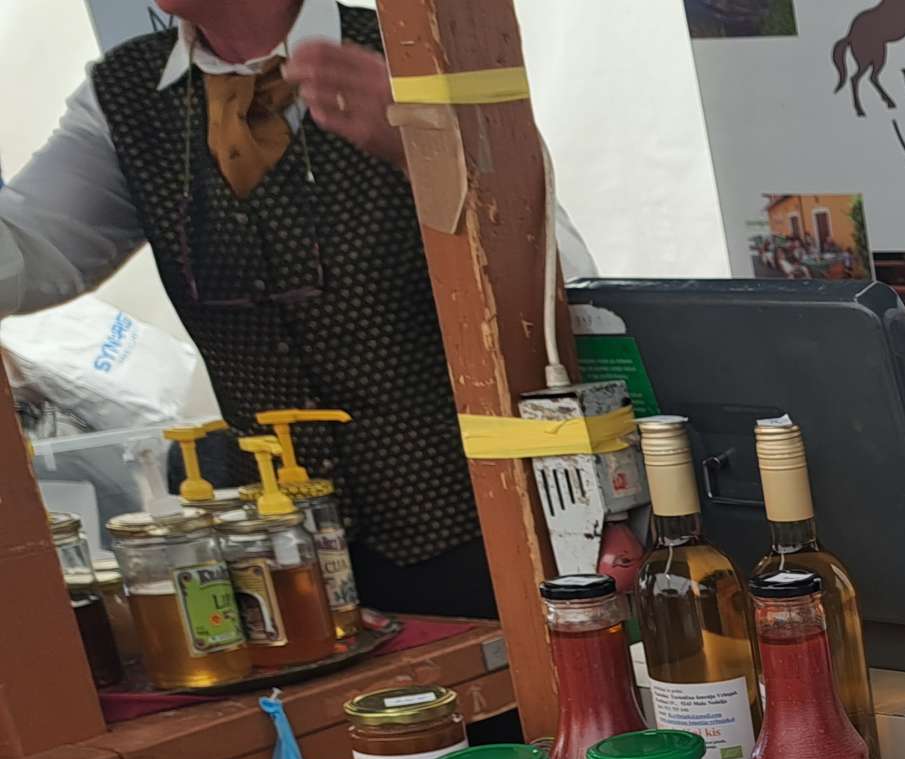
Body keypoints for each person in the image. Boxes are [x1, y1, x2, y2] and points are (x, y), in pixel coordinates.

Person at [0, 1, 594, 619]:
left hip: (480, 532)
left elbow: (565, 287)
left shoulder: (416, 54)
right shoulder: (127, 94)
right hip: (280, 562)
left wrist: (429, 148)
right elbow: (29, 257)